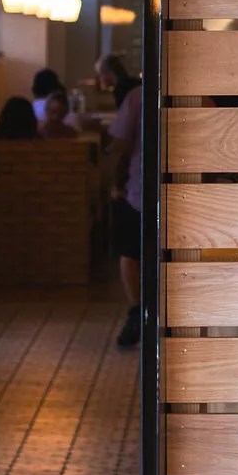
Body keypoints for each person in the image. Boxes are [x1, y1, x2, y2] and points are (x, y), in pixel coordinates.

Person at [96, 54, 143, 350]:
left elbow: (121, 146)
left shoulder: (136, 98)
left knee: (129, 252)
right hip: (179, 195)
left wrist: (115, 182)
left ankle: (138, 309)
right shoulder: (196, 97)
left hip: (138, 189)